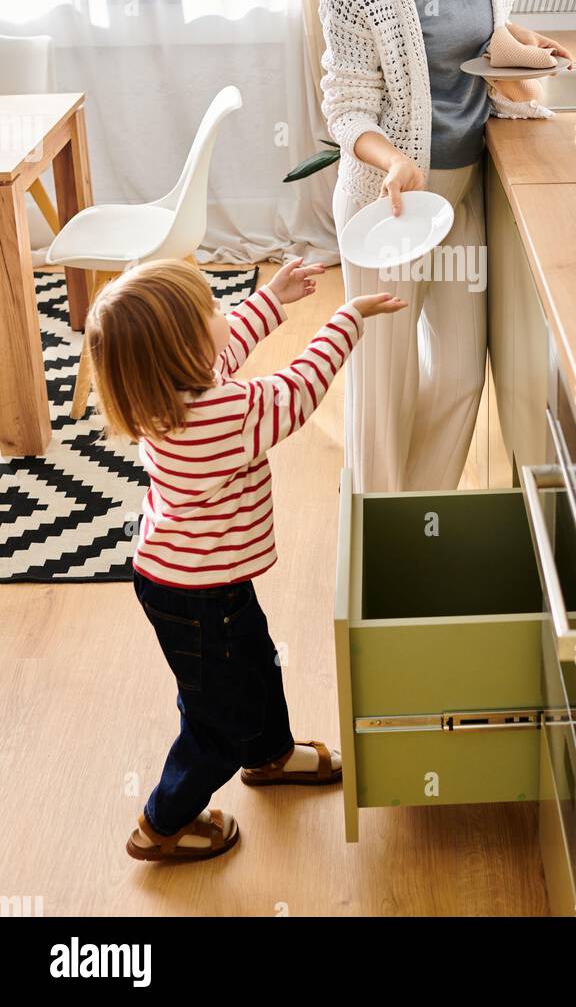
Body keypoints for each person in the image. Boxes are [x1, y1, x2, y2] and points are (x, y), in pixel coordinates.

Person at [86, 256, 404, 861]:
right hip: (197, 593)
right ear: (181, 352)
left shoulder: (169, 392)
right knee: (215, 720)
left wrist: (273, 300)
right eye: (209, 310)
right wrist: (347, 317)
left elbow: (224, 353)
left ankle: (269, 753)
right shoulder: (221, 416)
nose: (221, 312)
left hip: (196, 579)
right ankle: (163, 823)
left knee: (254, 665)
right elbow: (300, 389)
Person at [320, 0, 572, 493]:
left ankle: (420, 517)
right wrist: (393, 157)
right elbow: (346, 105)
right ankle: (376, 538)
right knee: (383, 383)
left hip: (464, 194)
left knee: (461, 374)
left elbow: (481, 39)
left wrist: (521, 43)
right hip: (389, 204)